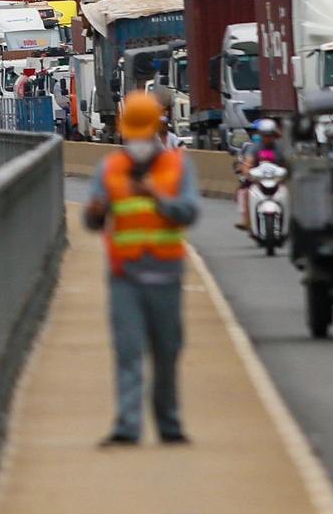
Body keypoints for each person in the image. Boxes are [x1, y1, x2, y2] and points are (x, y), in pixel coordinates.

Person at [84, 93, 201, 447]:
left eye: (142, 133)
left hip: (166, 273)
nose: (136, 142)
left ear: (156, 131)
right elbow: (92, 220)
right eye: (131, 134)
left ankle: (169, 424)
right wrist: (97, 211)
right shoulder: (109, 169)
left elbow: (189, 213)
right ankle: (128, 427)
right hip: (126, 275)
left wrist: (156, 197)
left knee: (167, 352)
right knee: (128, 350)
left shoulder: (178, 167)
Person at [236, 118, 282, 229]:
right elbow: (248, 162)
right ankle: (247, 220)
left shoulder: (281, 148)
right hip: (258, 180)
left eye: (270, 135)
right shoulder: (254, 147)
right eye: (265, 135)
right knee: (244, 192)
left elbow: (290, 162)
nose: (267, 138)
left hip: (277, 179)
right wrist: (247, 173)